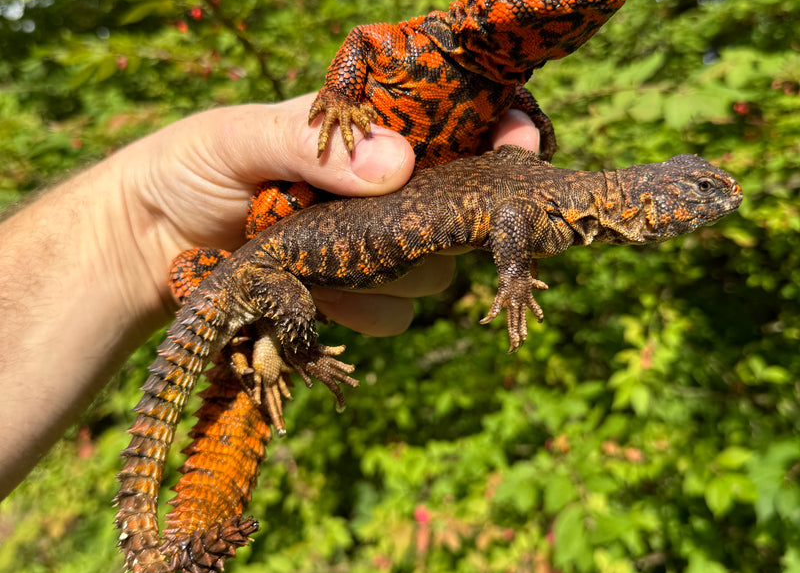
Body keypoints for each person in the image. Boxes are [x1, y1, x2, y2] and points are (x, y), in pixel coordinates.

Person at [0, 92, 540, 497]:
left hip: (264, 261)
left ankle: (264, 338)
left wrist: (143, 221)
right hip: (263, 267)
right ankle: (269, 342)